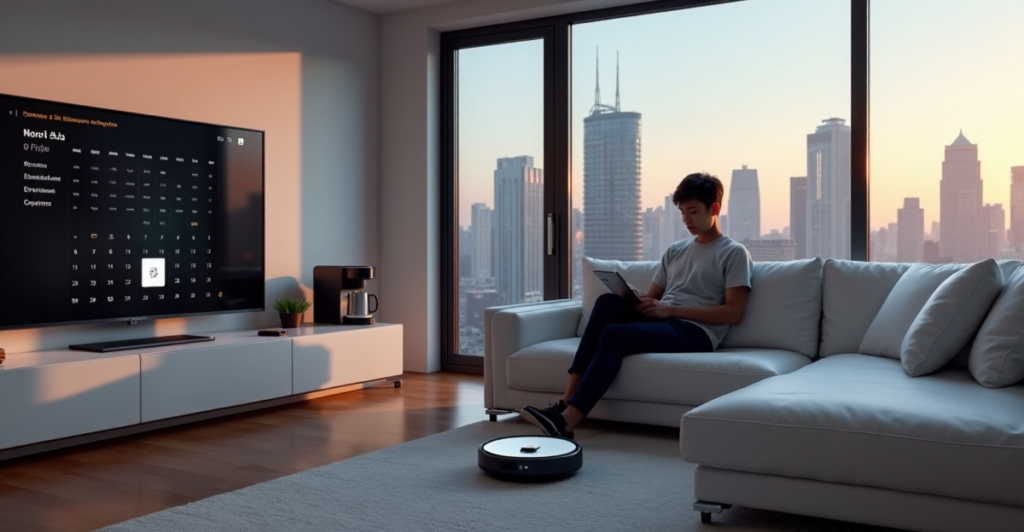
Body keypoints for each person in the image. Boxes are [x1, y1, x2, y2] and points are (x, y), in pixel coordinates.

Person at [520, 172, 753, 440]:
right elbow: (652, 298)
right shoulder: (676, 250)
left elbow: (733, 314)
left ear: (714, 208)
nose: (686, 219)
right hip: (666, 320)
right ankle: (563, 404)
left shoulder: (733, 253)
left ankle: (568, 422)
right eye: (682, 212)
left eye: (693, 211)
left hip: (697, 331)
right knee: (608, 302)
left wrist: (670, 310)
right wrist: (634, 297)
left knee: (615, 335)